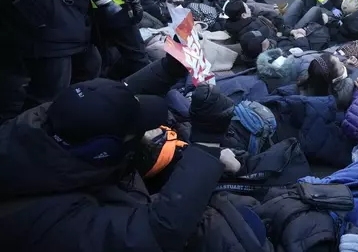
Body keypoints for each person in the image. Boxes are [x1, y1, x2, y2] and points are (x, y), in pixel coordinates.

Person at [0, 74, 245, 250]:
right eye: (137, 130)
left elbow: (109, 99)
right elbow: (156, 233)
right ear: (103, 151)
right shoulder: (52, 222)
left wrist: (171, 65)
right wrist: (207, 145)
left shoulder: (41, 123)